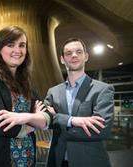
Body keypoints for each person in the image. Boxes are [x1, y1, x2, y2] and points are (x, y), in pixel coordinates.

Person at [0, 26, 50, 167]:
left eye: (22, 45)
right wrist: (35, 124)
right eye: (10, 45)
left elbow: (49, 116)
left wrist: (26, 118)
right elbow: (0, 124)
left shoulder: (26, 82)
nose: (17, 51)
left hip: (27, 157)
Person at [44, 37, 114, 167]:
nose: (74, 55)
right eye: (68, 53)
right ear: (62, 59)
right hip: (58, 160)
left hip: (90, 161)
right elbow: (45, 122)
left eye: (79, 52)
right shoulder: (52, 92)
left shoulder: (102, 89)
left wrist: (59, 119)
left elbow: (100, 130)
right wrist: (75, 122)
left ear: (86, 56)